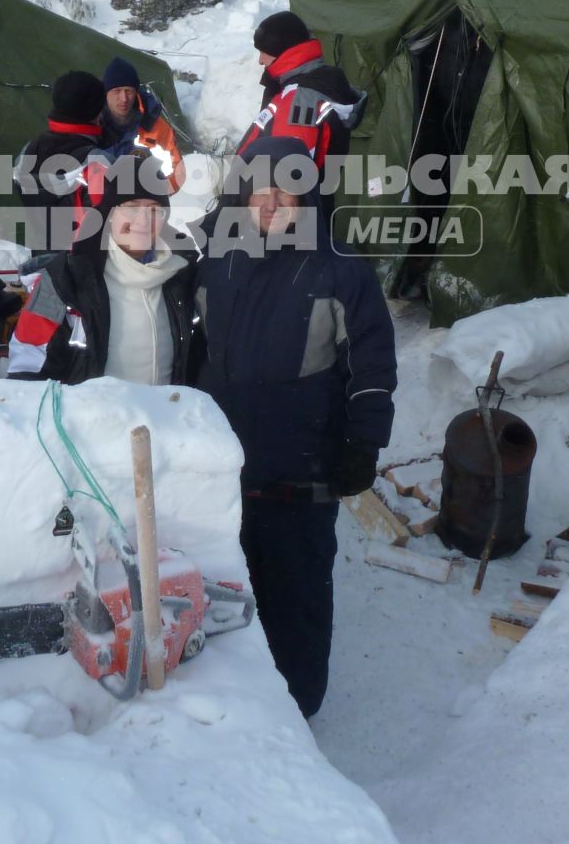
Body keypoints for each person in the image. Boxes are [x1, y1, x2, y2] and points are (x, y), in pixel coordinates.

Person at [195, 135, 396, 718]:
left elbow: (373, 367)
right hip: (221, 472)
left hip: (302, 474)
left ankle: (297, 706)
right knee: (220, 592)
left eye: (286, 190)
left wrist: (364, 442)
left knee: (296, 597)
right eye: (261, 190)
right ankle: (229, 699)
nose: (271, 202)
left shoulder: (341, 271)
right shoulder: (213, 258)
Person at [7, 152, 197, 385]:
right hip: (91, 418)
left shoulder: (182, 276)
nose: (143, 220)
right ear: (109, 213)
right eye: (132, 207)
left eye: (155, 209)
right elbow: (27, 364)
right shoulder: (64, 279)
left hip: (164, 416)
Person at [238, 11, 365, 172]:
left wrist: (243, 194)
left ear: (282, 51)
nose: (260, 60)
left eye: (264, 52)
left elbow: (290, 176)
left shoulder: (299, 99)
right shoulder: (319, 77)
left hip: (263, 193)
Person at [13, 71, 113, 259]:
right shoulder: (96, 162)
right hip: (87, 271)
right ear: (95, 111)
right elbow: (109, 224)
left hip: (44, 266)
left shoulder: (29, 151)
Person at [99, 57, 187, 192]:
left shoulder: (156, 127)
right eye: (117, 91)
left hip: (143, 206)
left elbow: (178, 171)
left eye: (129, 91)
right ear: (106, 93)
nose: (123, 98)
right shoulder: (90, 125)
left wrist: (157, 195)